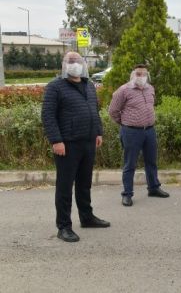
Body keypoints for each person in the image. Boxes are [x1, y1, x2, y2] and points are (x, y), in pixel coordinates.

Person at [41, 52, 110, 242]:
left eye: (77, 61)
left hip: (88, 141)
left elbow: (94, 110)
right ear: (63, 64)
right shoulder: (55, 86)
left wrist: (98, 132)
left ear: (83, 64)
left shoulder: (88, 84)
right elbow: (48, 115)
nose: (74, 64)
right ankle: (63, 226)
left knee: (84, 183)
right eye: (70, 61)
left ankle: (87, 217)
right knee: (64, 186)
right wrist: (56, 140)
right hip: (67, 144)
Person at [108, 64, 169, 207]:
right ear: (133, 75)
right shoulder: (123, 90)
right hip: (131, 132)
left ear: (147, 75)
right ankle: (127, 194)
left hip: (149, 131)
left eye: (144, 74)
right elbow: (113, 111)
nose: (141, 77)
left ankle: (153, 188)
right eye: (138, 74)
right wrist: (124, 124)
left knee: (151, 161)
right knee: (130, 164)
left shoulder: (150, 89)